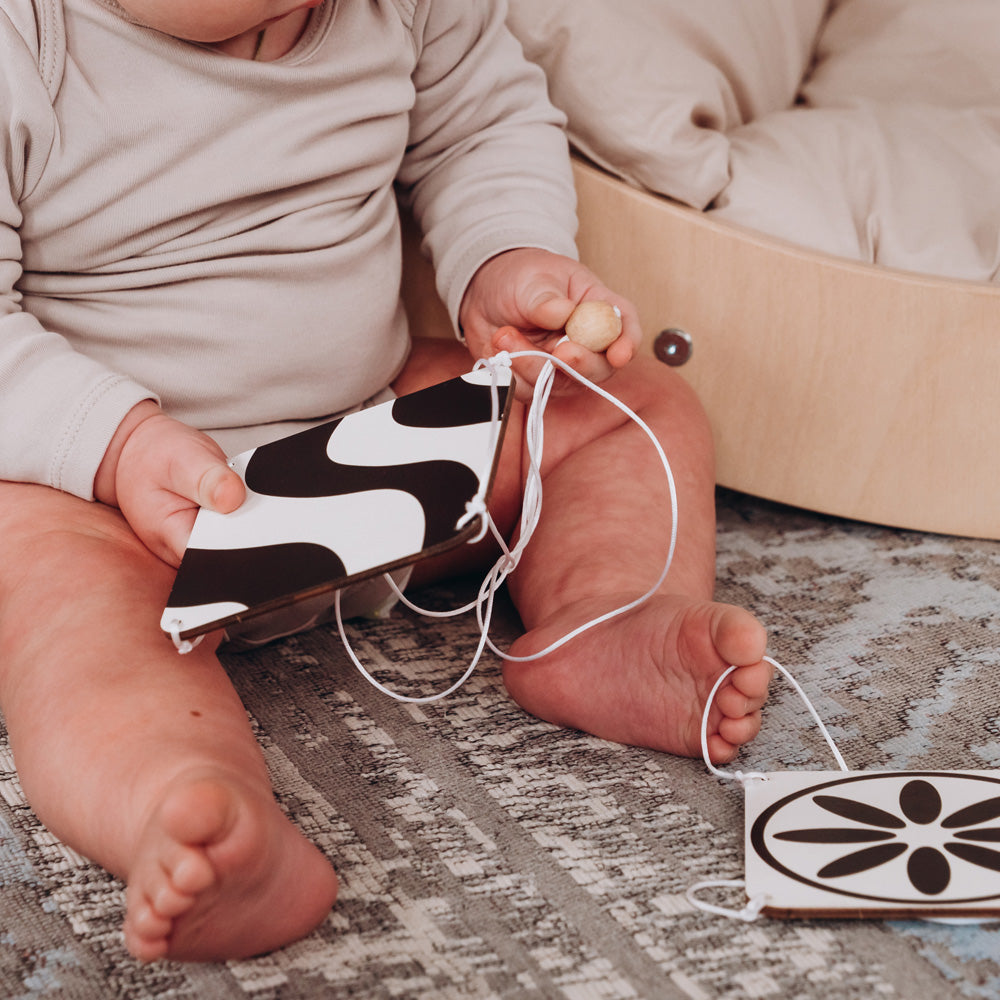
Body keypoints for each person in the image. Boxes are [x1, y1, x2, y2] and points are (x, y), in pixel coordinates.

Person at [0, 0, 771, 964]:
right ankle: (189, 800)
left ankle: (601, 616)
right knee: (46, 598)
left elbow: (481, 125)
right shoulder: (24, 44)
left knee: (630, 406)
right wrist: (111, 443)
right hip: (119, 506)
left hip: (380, 443)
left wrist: (502, 257)